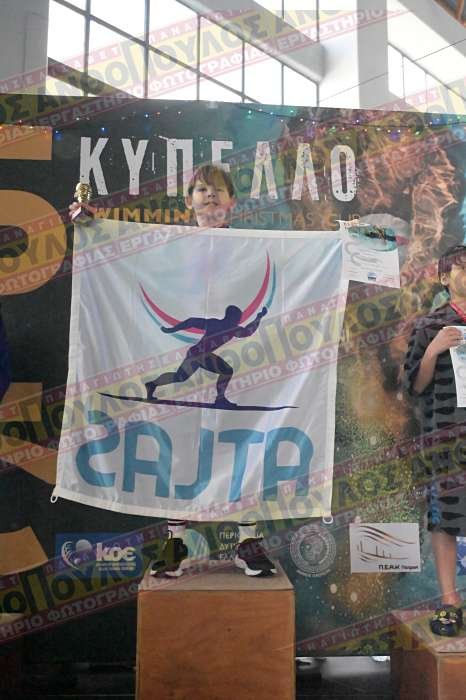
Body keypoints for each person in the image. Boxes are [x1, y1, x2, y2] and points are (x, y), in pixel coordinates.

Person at [69, 165, 277, 578]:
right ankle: (175, 540)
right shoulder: (168, 247)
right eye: (202, 189)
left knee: (244, 447)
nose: (210, 195)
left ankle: (247, 541)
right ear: (188, 200)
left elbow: (277, 291)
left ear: (233, 200)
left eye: (218, 189)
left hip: (252, 367)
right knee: (179, 445)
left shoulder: (254, 249)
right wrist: (93, 228)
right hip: (185, 351)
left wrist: (342, 245)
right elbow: (127, 258)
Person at [403, 244, 466, 636]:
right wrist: (433, 350)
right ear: (445, 278)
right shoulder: (430, 325)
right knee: (445, 518)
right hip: (446, 436)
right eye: (462, 267)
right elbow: (414, 385)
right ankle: (449, 601)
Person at [145, 304, 267, 406]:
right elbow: (192, 321)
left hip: (196, 354)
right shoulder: (215, 324)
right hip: (199, 354)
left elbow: (247, 332)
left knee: (180, 377)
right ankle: (220, 399)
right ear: (230, 317)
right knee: (226, 371)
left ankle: (152, 384)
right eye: (237, 318)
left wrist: (259, 317)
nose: (238, 321)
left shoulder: (233, 329)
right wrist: (172, 330)